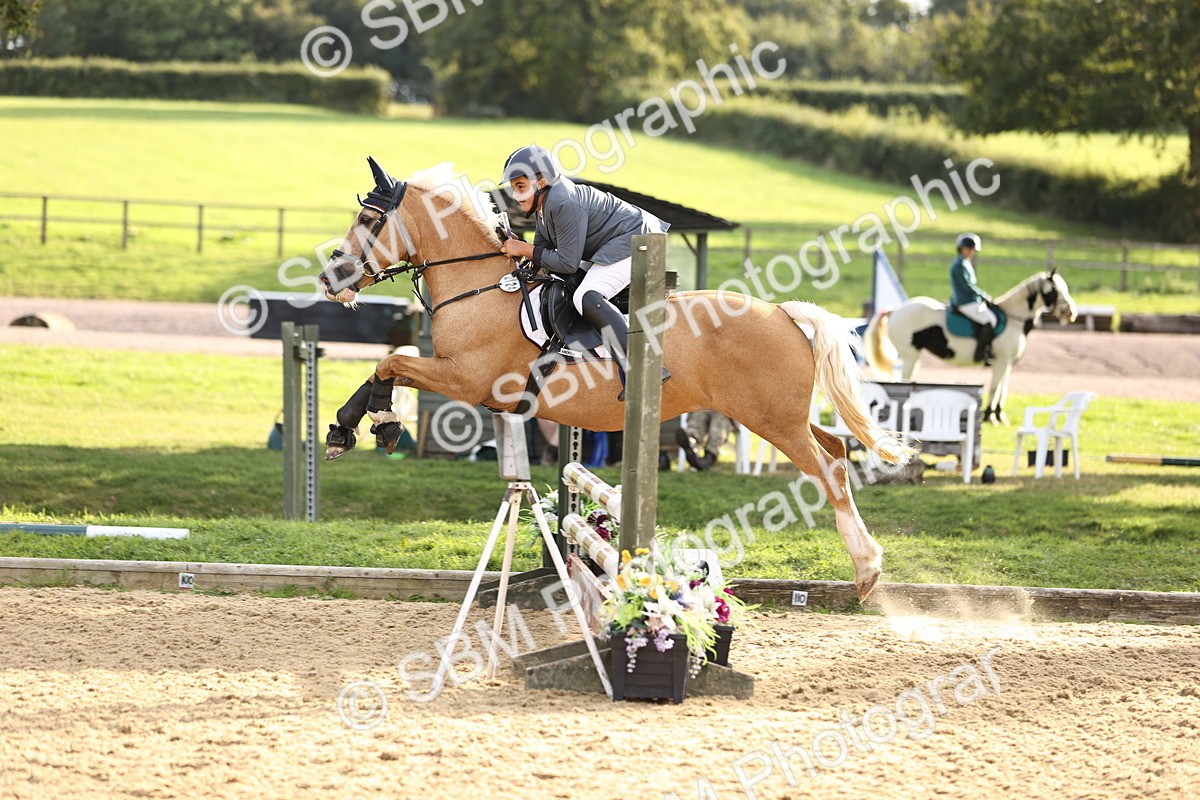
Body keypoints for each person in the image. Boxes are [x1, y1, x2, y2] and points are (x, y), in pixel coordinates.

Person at [498, 144, 671, 401]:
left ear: (541, 182)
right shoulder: (544, 205)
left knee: (586, 296)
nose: (516, 195)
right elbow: (542, 251)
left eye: (520, 187)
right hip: (618, 242)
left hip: (639, 239)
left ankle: (646, 368)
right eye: (514, 188)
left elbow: (566, 262)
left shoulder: (562, 200)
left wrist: (523, 248)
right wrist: (520, 250)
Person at [949, 232, 996, 365]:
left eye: (973, 250)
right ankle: (981, 353)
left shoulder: (965, 263)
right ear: (961, 248)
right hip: (965, 302)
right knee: (990, 319)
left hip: (970, 300)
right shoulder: (959, 265)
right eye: (969, 249)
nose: (971, 252)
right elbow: (967, 286)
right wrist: (984, 295)